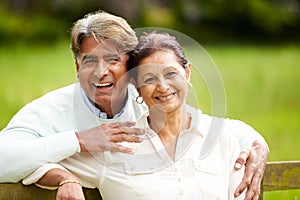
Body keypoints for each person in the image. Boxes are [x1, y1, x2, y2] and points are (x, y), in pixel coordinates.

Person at [0, 11, 268, 200]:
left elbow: (215, 128)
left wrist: (257, 142)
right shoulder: (51, 111)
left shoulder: (149, 100)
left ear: (130, 67)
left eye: (113, 60)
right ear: (77, 65)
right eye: (90, 61)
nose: (100, 72)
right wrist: (77, 146)